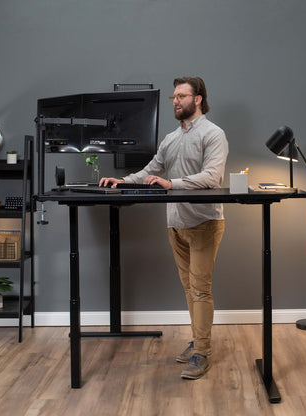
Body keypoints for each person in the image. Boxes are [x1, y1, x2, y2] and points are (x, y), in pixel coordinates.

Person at [100, 76, 228, 379]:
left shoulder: (213, 134)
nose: (175, 101)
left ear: (197, 99)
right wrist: (123, 181)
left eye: (181, 96)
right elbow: (150, 170)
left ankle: (202, 352)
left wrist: (172, 184)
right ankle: (198, 340)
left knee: (200, 289)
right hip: (176, 224)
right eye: (173, 96)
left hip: (204, 222)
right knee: (188, 288)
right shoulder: (171, 139)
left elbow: (212, 177)